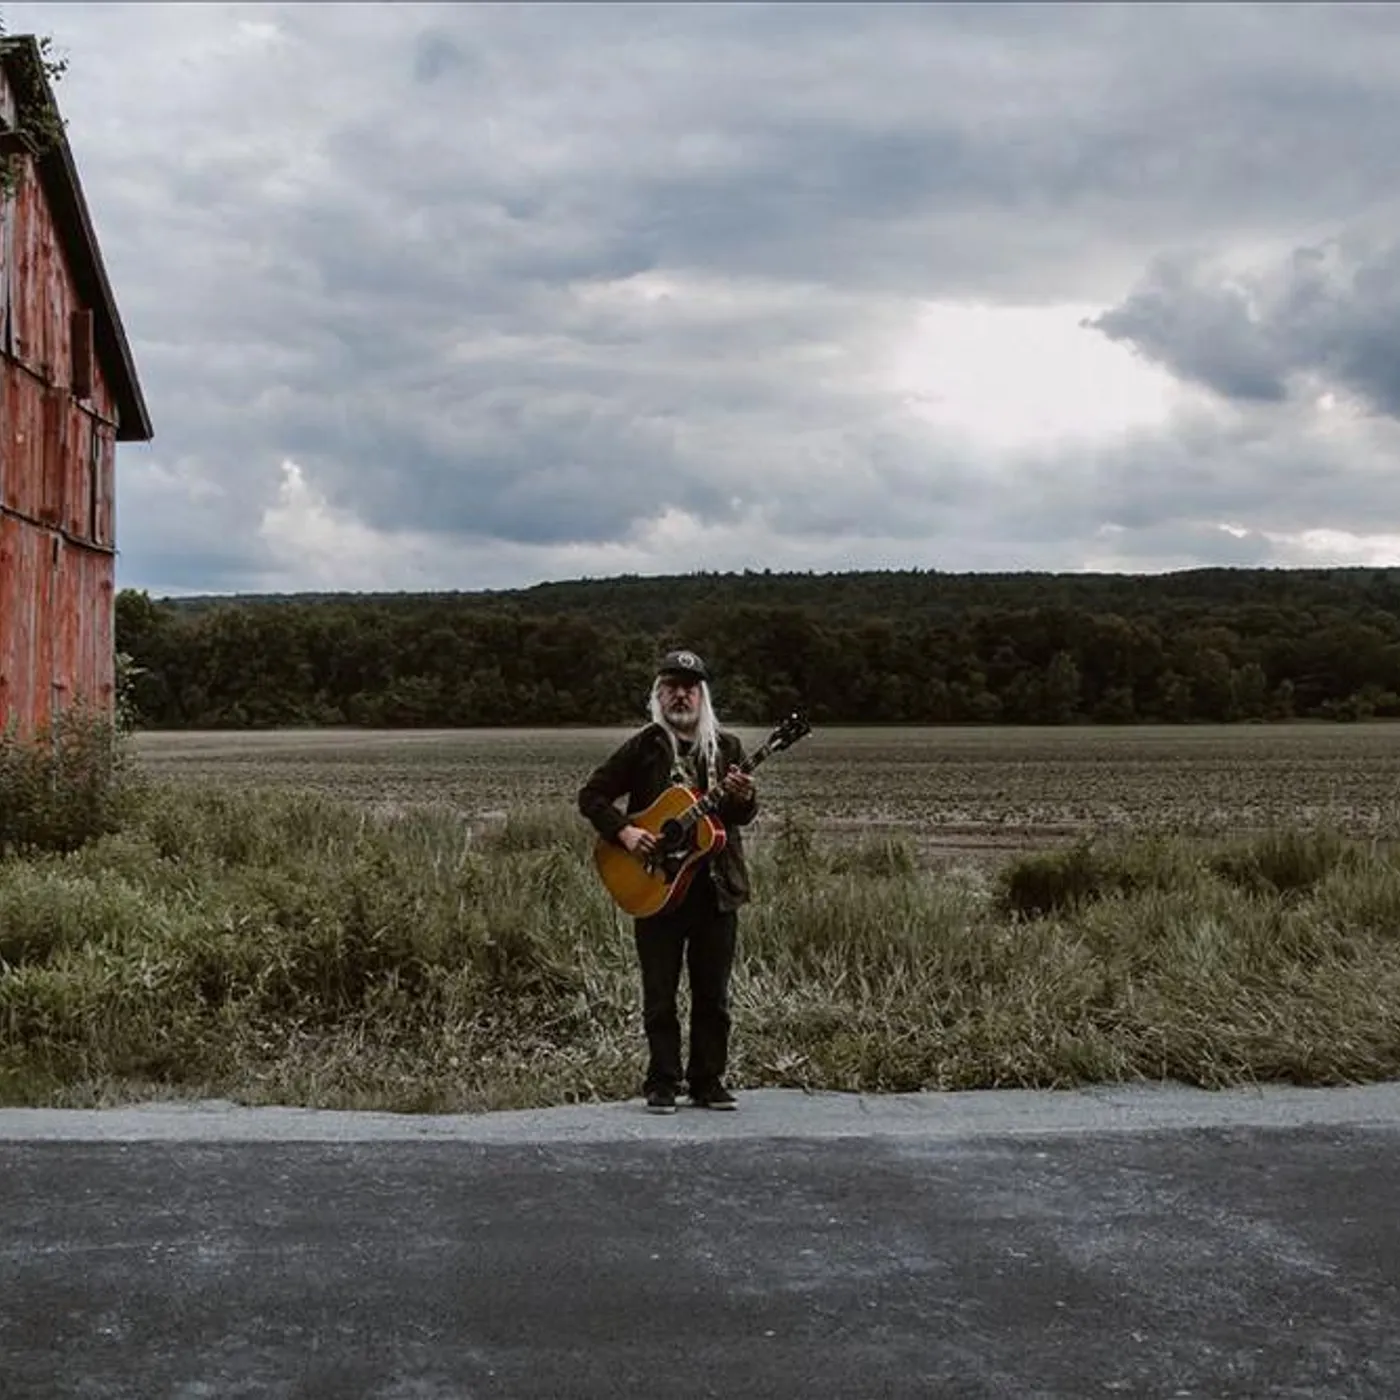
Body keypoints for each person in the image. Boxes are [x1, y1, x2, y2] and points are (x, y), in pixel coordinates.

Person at [578, 649, 758, 1114]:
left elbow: (738, 818)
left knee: (713, 995)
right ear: (658, 694)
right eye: (672, 686)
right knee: (660, 994)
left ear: (703, 696)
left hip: (715, 890)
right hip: (655, 887)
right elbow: (592, 795)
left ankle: (707, 1081)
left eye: (690, 687)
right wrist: (625, 831)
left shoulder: (729, 748)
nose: (681, 694)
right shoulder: (644, 747)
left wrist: (745, 797)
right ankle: (661, 1082)